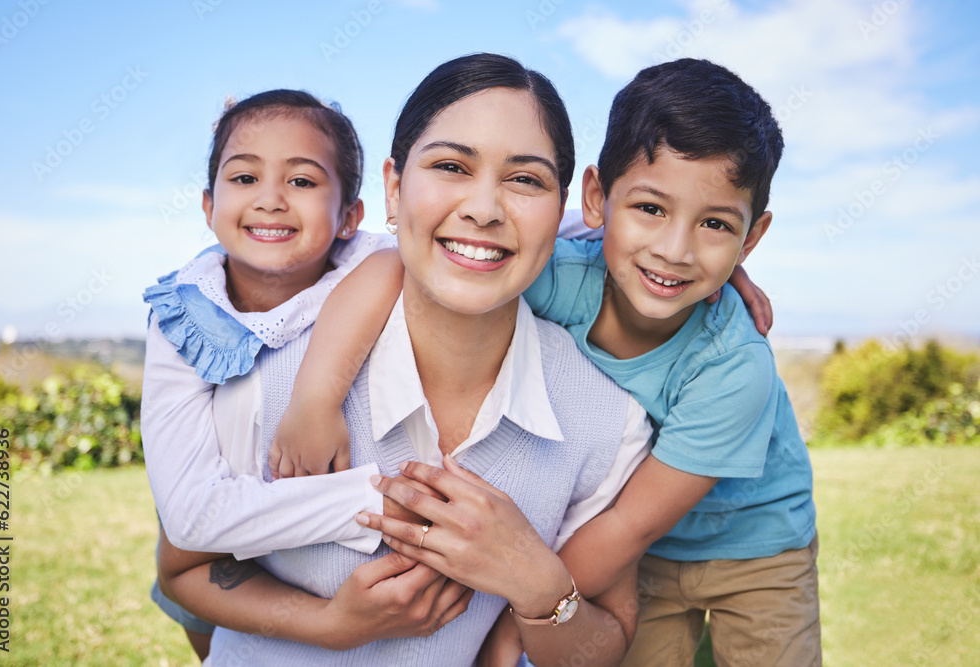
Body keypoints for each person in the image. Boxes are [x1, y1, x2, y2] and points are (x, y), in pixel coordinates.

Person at [277, 59, 819, 666]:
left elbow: (628, 527)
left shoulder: (735, 367)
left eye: (715, 224)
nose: (674, 249)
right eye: (651, 209)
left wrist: (514, 621)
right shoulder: (556, 274)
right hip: (643, 556)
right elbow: (401, 263)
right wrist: (315, 399)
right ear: (595, 199)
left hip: (755, 546)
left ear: (752, 237)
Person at [156, 53, 651, 665]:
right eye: (450, 166)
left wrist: (535, 580)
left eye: (525, 180)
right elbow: (183, 572)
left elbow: (606, 646)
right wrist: (329, 625)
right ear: (393, 188)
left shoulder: (609, 419)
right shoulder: (263, 371)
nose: (484, 209)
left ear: (564, 207)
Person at [140, 88, 423, 660]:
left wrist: (315, 402)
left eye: (301, 181)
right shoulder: (184, 313)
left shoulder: (373, 271)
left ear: (349, 216)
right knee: (217, 638)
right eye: (243, 178)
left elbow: (400, 257)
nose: (270, 199)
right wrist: (366, 504)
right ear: (207, 205)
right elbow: (192, 521)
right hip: (214, 554)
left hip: (292, 554)